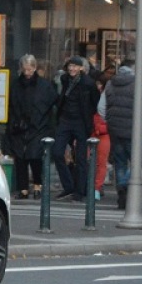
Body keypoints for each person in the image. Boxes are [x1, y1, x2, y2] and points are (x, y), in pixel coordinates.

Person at [97, 58, 142, 208]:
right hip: (134, 131)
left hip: (115, 130)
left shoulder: (110, 84)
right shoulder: (138, 85)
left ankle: (122, 187)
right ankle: (127, 185)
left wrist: (109, 120)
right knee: (137, 161)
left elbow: (101, 108)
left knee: (120, 162)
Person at [6, 54, 55, 200]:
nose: (27, 73)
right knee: (20, 158)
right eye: (25, 69)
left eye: (30, 69)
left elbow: (50, 103)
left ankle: (37, 184)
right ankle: (23, 188)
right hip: (20, 125)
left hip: (37, 125)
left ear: (34, 68)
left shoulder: (44, 85)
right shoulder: (16, 84)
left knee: (35, 156)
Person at [52, 55, 98, 201]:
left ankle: (79, 191)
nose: (72, 69)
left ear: (81, 68)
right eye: (70, 66)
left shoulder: (88, 83)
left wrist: (88, 117)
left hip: (81, 122)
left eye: (75, 66)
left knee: (81, 158)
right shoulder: (65, 79)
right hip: (65, 120)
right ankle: (69, 186)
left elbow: (95, 102)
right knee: (57, 152)